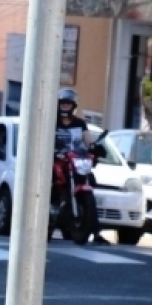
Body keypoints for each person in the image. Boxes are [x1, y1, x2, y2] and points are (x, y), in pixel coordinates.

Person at [54, 88, 110, 245]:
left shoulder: (80, 123)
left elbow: (88, 141)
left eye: (68, 104)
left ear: (73, 106)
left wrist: (94, 148)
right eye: (63, 104)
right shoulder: (52, 122)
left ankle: (96, 231)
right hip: (57, 160)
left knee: (89, 182)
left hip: (75, 161)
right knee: (49, 182)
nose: (65, 106)